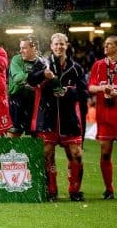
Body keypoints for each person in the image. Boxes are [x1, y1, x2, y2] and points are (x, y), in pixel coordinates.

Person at [35, 33, 88, 202]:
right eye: (56, 44)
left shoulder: (76, 68)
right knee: (47, 154)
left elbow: (83, 92)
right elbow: (30, 80)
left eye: (62, 44)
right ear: (51, 46)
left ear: (67, 45)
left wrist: (69, 91)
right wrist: (44, 74)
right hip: (48, 117)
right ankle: (51, 190)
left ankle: (75, 191)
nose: (59, 47)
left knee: (76, 154)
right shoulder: (43, 64)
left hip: (68, 119)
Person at [87, 35, 117, 200]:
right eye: (105, 44)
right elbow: (90, 87)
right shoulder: (98, 65)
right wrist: (102, 88)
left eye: (109, 44)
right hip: (105, 115)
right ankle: (109, 189)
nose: (105, 47)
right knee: (105, 153)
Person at [7, 35, 47, 137]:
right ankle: (9, 153)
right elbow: (18, 78)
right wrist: (37, 76)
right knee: (13, 136)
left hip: (34, 103)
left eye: (24, 48)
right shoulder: (17, 59)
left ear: (34, 48)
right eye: (20, 48)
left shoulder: (42, 62)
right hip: (17, 101)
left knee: (37, 137)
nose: (21, 51)